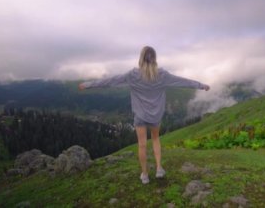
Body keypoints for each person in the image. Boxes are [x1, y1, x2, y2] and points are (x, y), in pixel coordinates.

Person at [79, 46, 210, 184]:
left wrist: (88, 84)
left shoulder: (133, 75)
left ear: (141, 58)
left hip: (140, 116)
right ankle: (159, 168)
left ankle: (145, 175)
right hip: (156, 115)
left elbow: (110, 81)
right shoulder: (162, 75)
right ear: (155, 59)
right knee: (155, 139)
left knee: (142, 145)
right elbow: (183, 81)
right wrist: (201, 85)